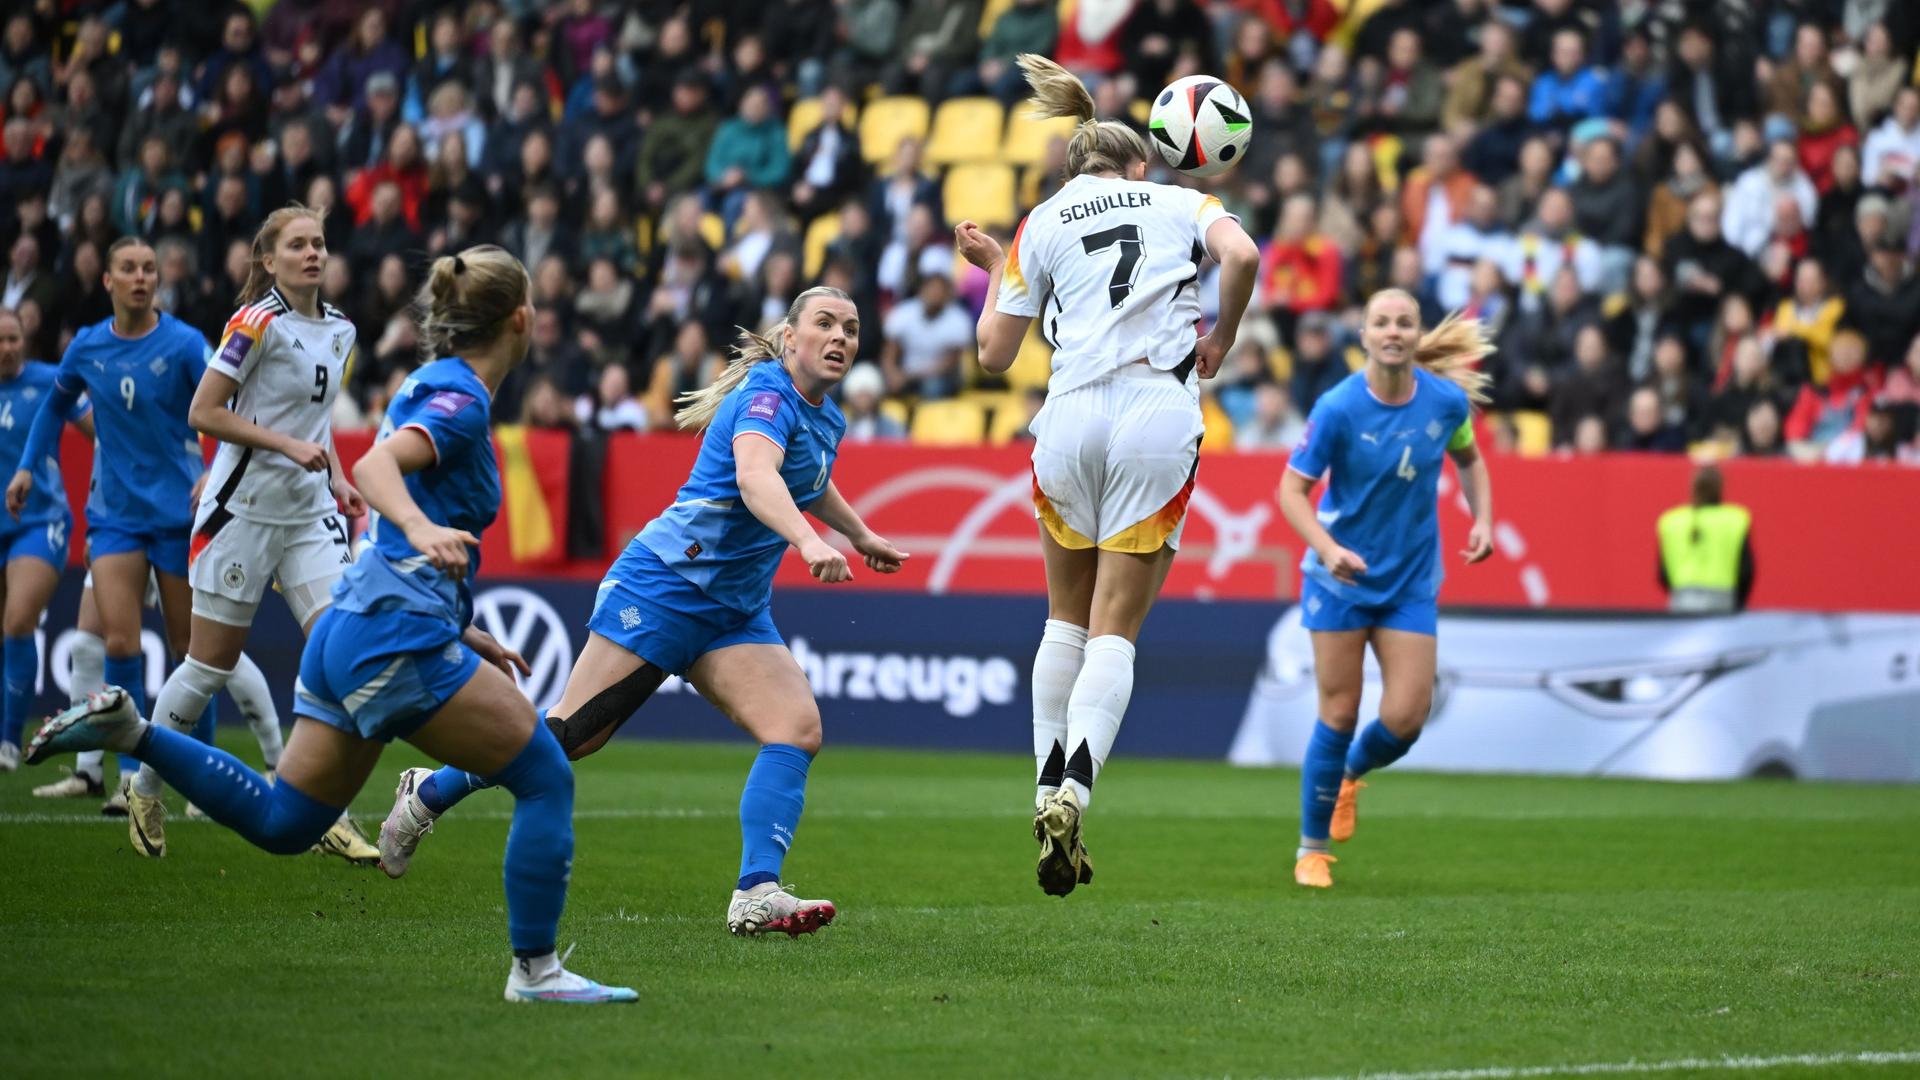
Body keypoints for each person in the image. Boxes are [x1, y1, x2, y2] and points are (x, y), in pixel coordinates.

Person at [26, 245, 636, 1004]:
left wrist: (460, 622)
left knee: (286, 821)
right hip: (391, 638)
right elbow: (379, 470)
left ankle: (133, 734)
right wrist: (420, 528)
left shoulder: (429, 381)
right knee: (544, 773)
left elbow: (409, 512)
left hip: (355, 627)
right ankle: (536, 973)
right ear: (522, 318)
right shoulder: (466, 398)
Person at [379, 286, 906, 938]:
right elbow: (755, 476)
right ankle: (427, 793)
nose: (840, 338)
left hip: (733, 612)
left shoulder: (824, 416)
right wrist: (807, 541)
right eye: (825, 324)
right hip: (664, 586)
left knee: (796, 729)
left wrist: (860, 534)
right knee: (571, 736)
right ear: (791, 336)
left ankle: (755, 891)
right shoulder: (766, 396)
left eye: (851, 329)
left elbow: (809, 480)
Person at [953, 54, 1261, 896]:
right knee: (1116, 625)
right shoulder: (1180, 199)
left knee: (1064, 620)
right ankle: (1076, 792)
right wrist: (1222, 337)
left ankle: (1043, 783)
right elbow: (1242, 258)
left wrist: (995, 279)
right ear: (1138, 161)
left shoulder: (1041, 222)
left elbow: (993, 355)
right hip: (1153, 416)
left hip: (1069, 416)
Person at [122, 205, 375, 862]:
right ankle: (144, 786)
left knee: (342, 657)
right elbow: (203, 412)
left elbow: (315, 427)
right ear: (269, 260)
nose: (313, 253)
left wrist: (340, 479)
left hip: (310, 517)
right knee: (209, 665)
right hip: (242, 513)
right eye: (298, 245)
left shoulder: (343, 329)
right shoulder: (253, 323)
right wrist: (284, 446)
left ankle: (329, 812)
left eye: (320, 242)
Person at [1276, 288, 1497, 889]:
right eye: (1381, 322)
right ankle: (1311, 851)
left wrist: (1482, 519)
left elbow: (1470, 461)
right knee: (1340, 711)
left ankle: (1349, 775)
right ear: (1365, 336)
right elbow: (1291, 492)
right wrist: (1327, 549)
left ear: (1417, 333)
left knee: (1406, 716)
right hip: (1338, 580)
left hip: (1409, 582)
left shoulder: (1446, 404)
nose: (1393, 331)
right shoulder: (1339, 408)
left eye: (1404, 322)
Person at [6, 238, 206, 807]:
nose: (141, 277)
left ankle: (197, 778)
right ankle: (128, 779)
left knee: (192, 648)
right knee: (120, 642)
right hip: (114, 516)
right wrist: (26, 469)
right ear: (109, 281)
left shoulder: (186, 343)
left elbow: (230, 402)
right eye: (129, 268)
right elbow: (54, 404)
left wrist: (212, 470)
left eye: (149, 267)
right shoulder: (88, 346)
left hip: (176, 513)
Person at [0, 308, 90, 770]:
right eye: (0, 340)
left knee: (17, 621)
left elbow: (101, 432)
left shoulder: (52, 381)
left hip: (40, 519)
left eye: (13, 338)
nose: (7, 348)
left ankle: (9, 742)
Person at [1656, 464, 1753, 613]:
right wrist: (1738, 603)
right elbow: (1746, 570)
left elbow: (1663, 573)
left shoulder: (1671, 521)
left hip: (1682, 600)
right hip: (1723, 600)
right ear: (1720, 488)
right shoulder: (1736, 519)